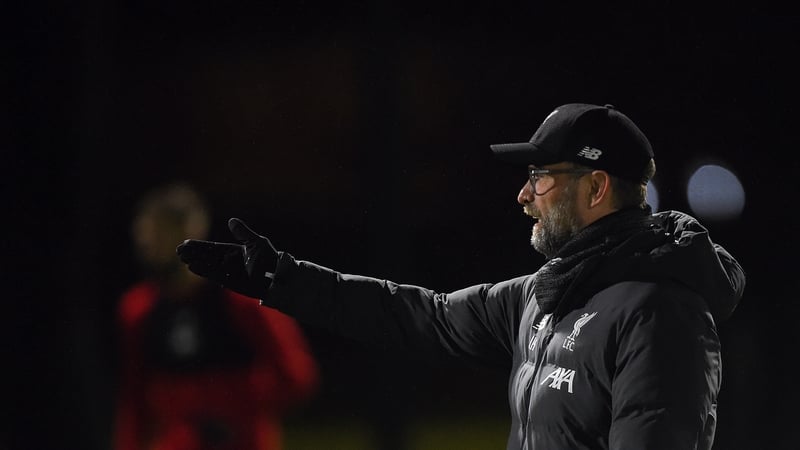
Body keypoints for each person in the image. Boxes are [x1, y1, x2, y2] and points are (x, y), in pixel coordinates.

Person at [176, 103, 746, 450]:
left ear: (596, 188)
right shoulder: (544, 296)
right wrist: (282, 279)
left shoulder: (659, 310)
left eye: (542, 177)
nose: (524, 196)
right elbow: (419, 313)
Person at [114, 182, 319, 450]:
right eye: (145, 239)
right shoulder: (138, 309)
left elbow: (297, 376)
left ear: (190, 231)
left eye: (159, 236)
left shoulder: (242, 300)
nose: (149, 248)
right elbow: (136, 397)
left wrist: (226, 405)